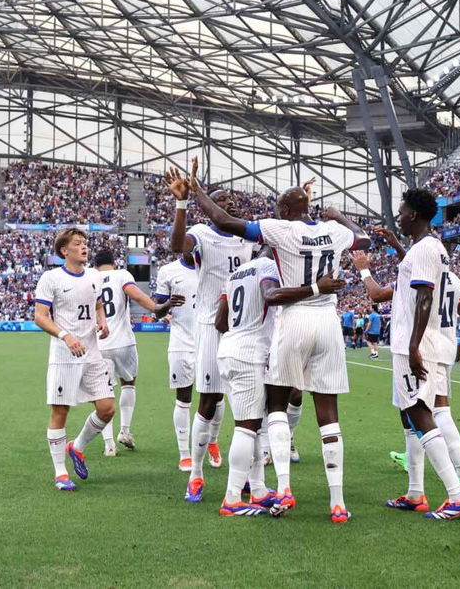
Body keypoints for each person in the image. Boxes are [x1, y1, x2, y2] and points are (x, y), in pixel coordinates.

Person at [186, 161, 372, 524]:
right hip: (328, 322)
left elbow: (225, 223)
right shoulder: (334, 231)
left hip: (285, 326)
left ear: (283, 212)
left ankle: (281, 487)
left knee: (270, 411)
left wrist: (196, 192)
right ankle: (337, 502)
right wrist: (337, 215)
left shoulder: (272, 239)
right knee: (327, 415)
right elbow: (364, 240)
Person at [352, 189, 460, 520]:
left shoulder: (425, 249)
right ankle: (415, 493)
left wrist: (412, 346)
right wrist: (395, 243)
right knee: (409, 416)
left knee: (421, 413)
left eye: (404, 212)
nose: (400, 216)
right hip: (426, 341)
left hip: (417, 343)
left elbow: (423, 297)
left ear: (417, 215)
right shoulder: (429, 248)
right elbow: (414, 276)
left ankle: (456, 495)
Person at [214, 249, 345, 516]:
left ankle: (259, 489)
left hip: (229, 349)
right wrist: (314, 288)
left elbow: (219, 322)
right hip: (251, 352)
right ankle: (232, 498)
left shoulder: (236, 273)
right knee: (247, 427)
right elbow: (271, 296)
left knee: (256, 425)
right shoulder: (270, 267)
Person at [166, 166, 261, 500]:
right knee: (209, 401)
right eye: (222, 201)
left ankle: (251, 477)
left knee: (251, 405)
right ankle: (195, 474)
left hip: (248, 328)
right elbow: (177, 245)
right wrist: (181, 205)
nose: (230, 205)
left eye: (232, 201)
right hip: (211, 326)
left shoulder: (247, 236)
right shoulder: (203, 235)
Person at [33, 228, 113, 492]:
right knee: (60, 411)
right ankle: (60, 473)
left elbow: (97, 303)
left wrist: (102, 322)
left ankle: (76, 448)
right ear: (64, 251)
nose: (84, 247)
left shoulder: (94, 276)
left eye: (85, 243)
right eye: (77, 244)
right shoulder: (51, 278)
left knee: (107, 408)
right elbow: (41, 316)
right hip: (65, 354)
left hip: (92, 352)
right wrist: (66, 336)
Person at [92, 249, 184, 455]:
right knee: (129, 383)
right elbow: (136, 295)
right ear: (113, 263)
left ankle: (108, 445)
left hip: (99, 344)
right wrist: (158, 309)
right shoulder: (122, 275)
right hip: (123, 341)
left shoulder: (90, 278)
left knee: (103, 393)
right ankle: (124, 431)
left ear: (95, 264)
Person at [153, 252, 199, 472]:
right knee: (183, 398)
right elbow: (157, 313)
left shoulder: (213, 265)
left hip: (209, 341)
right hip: (181, 342)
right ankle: (185, 454)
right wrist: (168, 305)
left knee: (215, 398)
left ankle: (213, 441)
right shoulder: (168, 271)